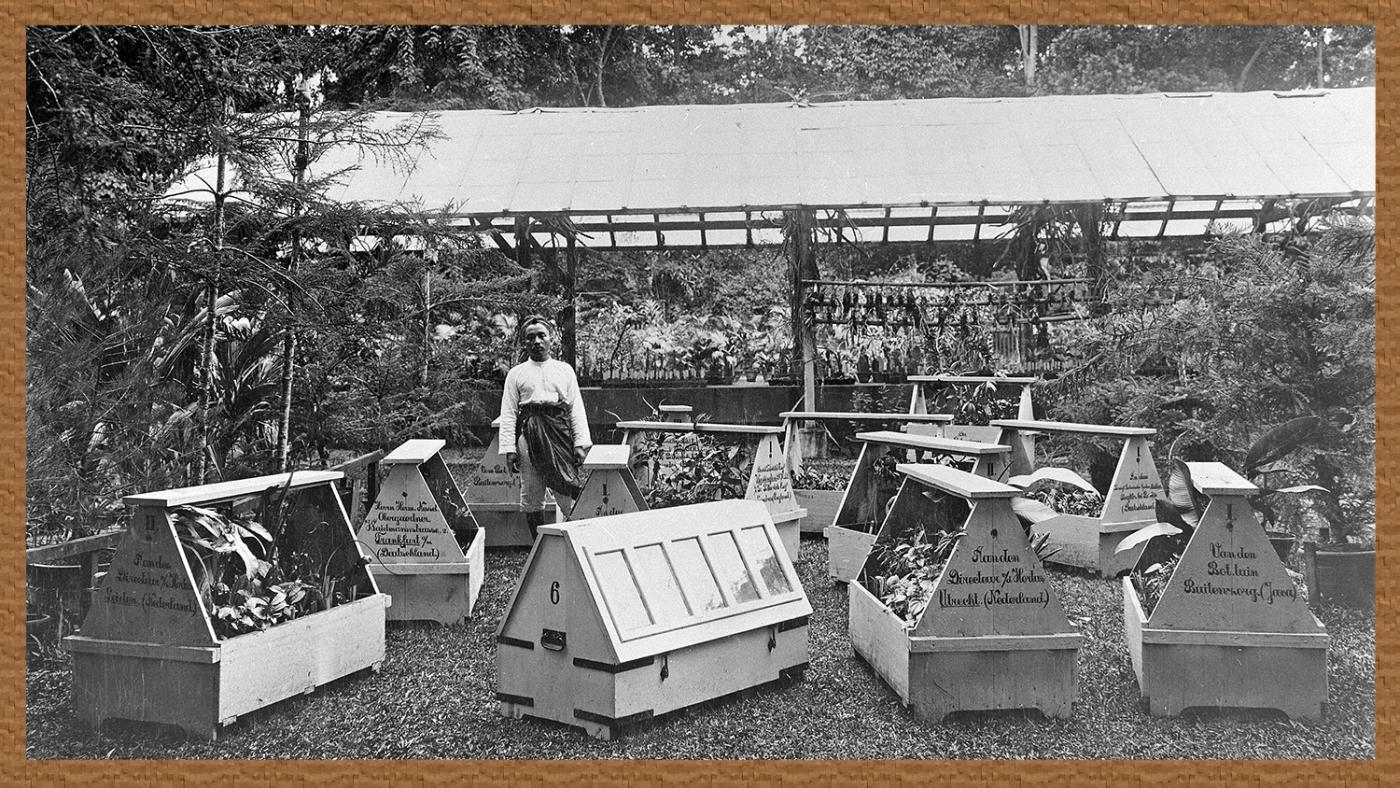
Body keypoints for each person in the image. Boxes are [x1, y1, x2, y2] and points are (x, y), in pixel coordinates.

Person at [497, 315, 592, 539]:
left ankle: (576, 542)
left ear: (552, 339)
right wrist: (509, 449)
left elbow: (576, 407)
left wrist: (580, 443)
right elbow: (509, 413)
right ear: (524, 342)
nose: (537, 341)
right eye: (531, 338)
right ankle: (538, 546)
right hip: (529, 436)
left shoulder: (564, 370)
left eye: (542, 335)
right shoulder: (516, 374)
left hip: (560, 434)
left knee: (567, 488)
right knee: (531, 491)